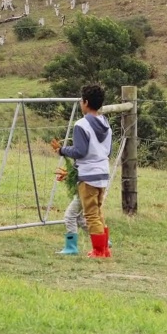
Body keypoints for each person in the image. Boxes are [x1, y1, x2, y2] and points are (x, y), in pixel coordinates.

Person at [51, 84, 112, 258]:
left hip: (88, 175)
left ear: (85, 102)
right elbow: (108, 151)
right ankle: (105, 249)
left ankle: (99, 251)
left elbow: (80, 151)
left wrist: (63, 150)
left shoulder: (81, 125)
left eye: (81, 100)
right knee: (98, 212)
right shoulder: (105, 123)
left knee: (91, 215)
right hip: (103, 173)